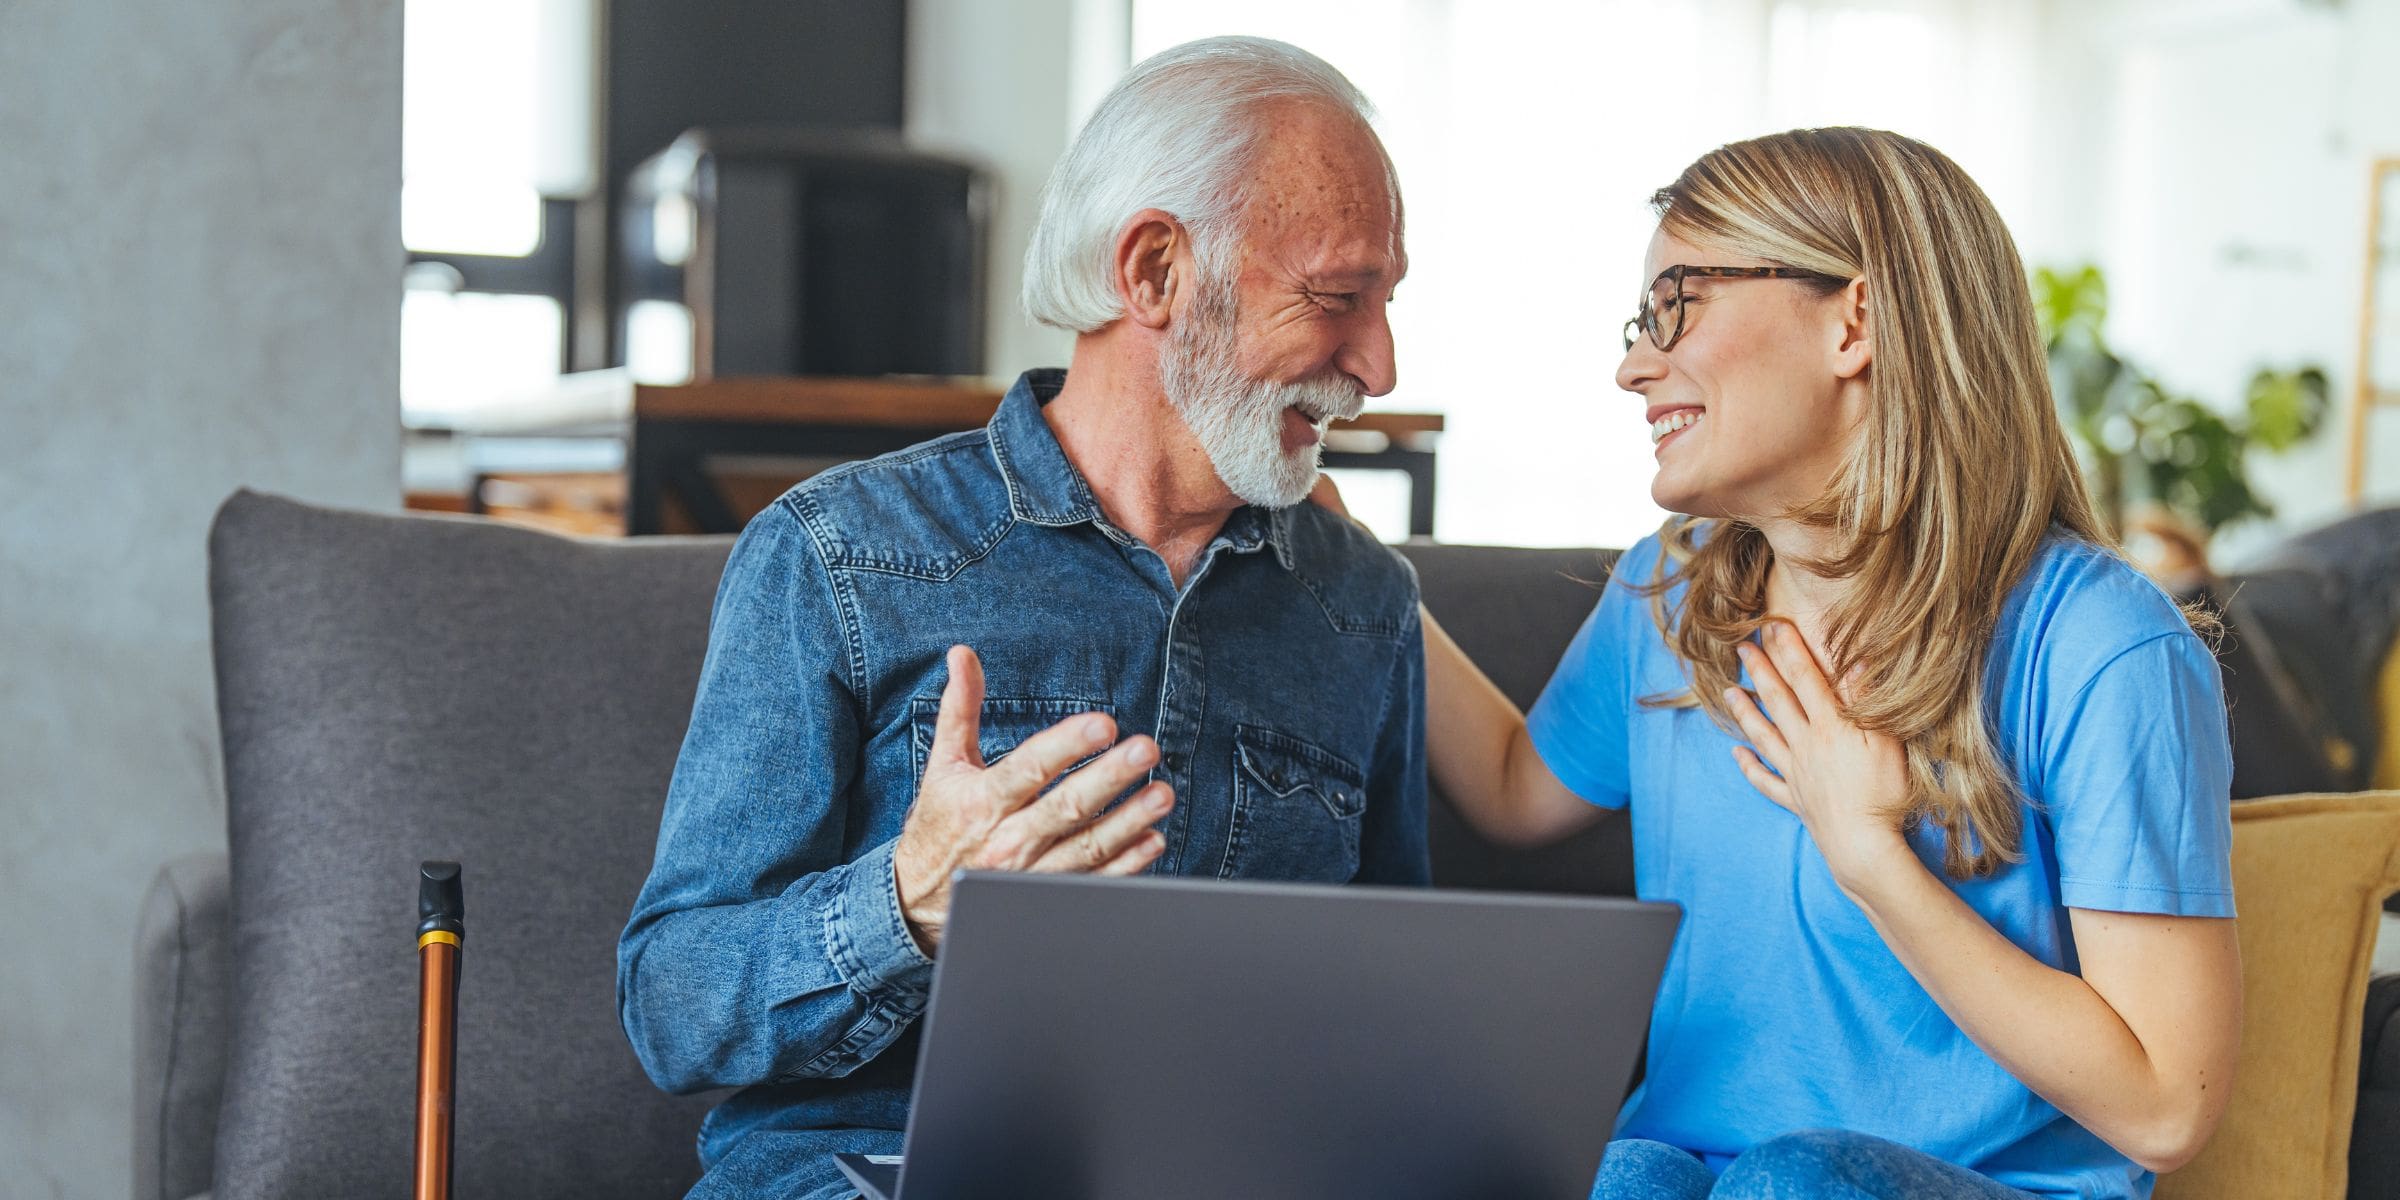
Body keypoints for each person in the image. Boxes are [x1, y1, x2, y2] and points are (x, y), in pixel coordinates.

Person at [1355, 127, 2241, 1199]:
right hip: (1695, 1173)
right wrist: (1350, 551)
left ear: (1853, 323)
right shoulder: (1672, 597)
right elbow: (1511, 789)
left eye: (1678, 304)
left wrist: (1871, 856)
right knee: (1625, 1175)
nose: (1634, 365)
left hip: (1968, 1186)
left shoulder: (2100, 645)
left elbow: (2164, 1107)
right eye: (1642, 322)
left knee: (1803, 1182)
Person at [615, 36, 1426, 1200]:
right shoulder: (838, 554)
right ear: (1152, 271)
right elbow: (671, 1005)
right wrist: (907, 901)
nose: (1380, 366)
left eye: (1386, 303)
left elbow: (1401, 993)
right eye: (1338, 299)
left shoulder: (1362, 607)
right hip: (865, 1168)